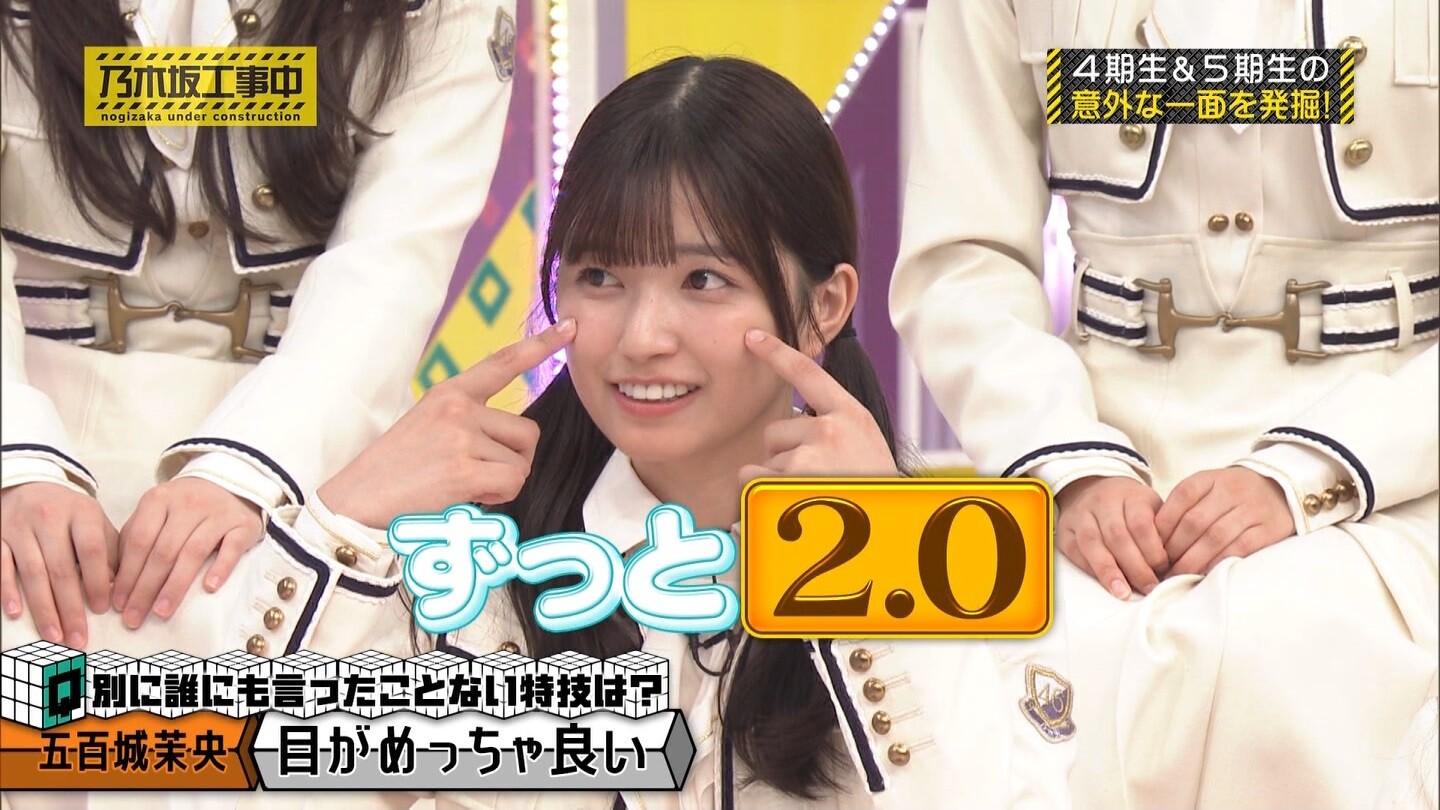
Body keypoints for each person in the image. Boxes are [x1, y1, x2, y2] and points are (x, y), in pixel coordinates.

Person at [273, 56, 1074, 809]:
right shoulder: (463, 566)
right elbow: (240, 769)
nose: (642, 337)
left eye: (703, 280)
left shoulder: (969, 565)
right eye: (600, 277)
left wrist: (875, 554)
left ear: (824, 305)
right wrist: (342, 527)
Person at [891, 0, 1437, 807]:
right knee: (991, 664)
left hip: (1401, 467)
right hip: (1096, 466)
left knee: (1287, 648)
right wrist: (1070, 464)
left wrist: (1310, 473)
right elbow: (962, 261)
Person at [0, 0, 514, 660]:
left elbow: (393, 257)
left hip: (313, 441)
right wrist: (18, 461)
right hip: (33, 419)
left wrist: (248, 473)